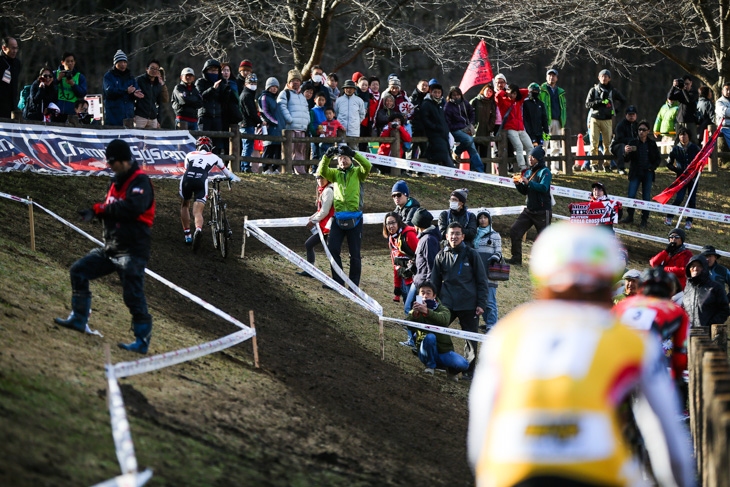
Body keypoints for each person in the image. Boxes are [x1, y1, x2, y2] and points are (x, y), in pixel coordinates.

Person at [468, 223, 695, 487]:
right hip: (596, 468)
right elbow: (666, 436)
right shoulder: (628, 338)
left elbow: (481, 428)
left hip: (511, 469)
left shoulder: (509, 331)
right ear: (608, 278)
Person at [55, 140, 156, 354]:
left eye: (112, 162)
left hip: (133, 250)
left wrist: (100, 209)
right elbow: (112, 208)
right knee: (79, 270)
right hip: (111, 248)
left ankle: (141, 341)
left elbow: (132, 208)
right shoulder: (115, 181)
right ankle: (79, 319)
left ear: (123, 161)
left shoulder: (141, 181)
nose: (110, 166)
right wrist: (96, 213)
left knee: (133, 295)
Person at [431, 222, 489, 380]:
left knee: (471, 339)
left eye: (457, 233)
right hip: (447, 303)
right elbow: (434, 282)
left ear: (463, 236)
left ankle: (469, 372)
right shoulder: (441, 255)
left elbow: (482, 281)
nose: (454, 236)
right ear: (446, 236)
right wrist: (431, 301)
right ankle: (442, 364)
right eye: (451, 233)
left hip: (469, 304)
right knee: (436, 331)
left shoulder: (472, 254)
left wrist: (481, 304)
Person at [614, 267, 690, 382]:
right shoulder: (677, 311)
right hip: (652, 365)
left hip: (619, 360)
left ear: (641, 286)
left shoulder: (622, 304)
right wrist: (676, 378)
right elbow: (680, 356)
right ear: (670, 290)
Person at [317, 145, 372, 287]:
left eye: (346, 158)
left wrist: (354, 154)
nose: (343, 161)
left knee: (355, 254)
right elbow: (322, 171)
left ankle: (354, 284)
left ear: (351, 160)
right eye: (340, 159)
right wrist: (327, 156)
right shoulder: (335, 174)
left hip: (356, 217)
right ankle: (338, 280)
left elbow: (367, 165)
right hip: (338, 217)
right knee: (332, 249)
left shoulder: (358, 173)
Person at [179, 136, 240, 251]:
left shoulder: (190, 154)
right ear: (210, 148)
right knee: (197, 211)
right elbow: (228, 174)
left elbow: (186, 169)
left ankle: (187, 236)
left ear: (197, 147)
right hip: (201, 180)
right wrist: (233, 179)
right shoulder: (214, 157)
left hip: (187, 179)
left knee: (185, 205)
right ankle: (198, 229)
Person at [407, 282, 469, 381]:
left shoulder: (443, 309)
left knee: (464, 364)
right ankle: (430, 366)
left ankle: (451, 371)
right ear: (418, 295)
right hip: (425, 351)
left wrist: (427, 312)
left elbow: (444, 320)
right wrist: (415, 314)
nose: (425, 296)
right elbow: (409, 326)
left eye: (428, 293)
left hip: (443, 351)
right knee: (430, 337)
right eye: (422, 293)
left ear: (434, 296)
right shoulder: (416, 310)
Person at [507, 147, 552, 266]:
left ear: (539, 158)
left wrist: (529, 182)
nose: (530, 159)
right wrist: (518, 185)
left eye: (533, 157)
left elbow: (544, 188)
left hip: (542, 211)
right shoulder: (527, 172)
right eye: (529, 157)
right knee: (515, 231)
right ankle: (516, 258)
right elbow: (525, 191)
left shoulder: (545, 172)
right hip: (529, 210)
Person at [619, 119, 660, 228]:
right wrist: (626, 152)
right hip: (635, 173)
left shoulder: (652, 144)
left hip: (648, 173)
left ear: (648, 131)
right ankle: (630, 216)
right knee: (631, 195)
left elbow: (658, 159)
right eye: (639, 129)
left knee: (646, 198)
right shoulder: (633, 142)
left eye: (643, 130)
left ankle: (644, 219)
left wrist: (652, 168)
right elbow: (627, 160)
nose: (641, 132)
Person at [585, 69, 627, 170]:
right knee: (594, 143)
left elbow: (623, 100)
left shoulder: (613, 91)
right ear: (599, 78)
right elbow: (587, 104)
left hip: (607, 120)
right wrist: (599, 102)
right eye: (602, 76)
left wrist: (615, 111)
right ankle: (594, 165)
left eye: (606, 76)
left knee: (607, 144)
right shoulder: (593, 90)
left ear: (609, 78)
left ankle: (607, 165)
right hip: (595, 118)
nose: (604, 78)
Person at [296, 174, 334, 277]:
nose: (320, 180)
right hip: (326, 225)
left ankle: (337, 279)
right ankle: (310, 270)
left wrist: (313, 221)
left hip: (329, 226)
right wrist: (313, 217)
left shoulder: (328, 191)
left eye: (322, 177)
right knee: (309, 244)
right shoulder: (323, 190)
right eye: (318, 178)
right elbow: (321, 210)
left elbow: (325, 211)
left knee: (332, 252)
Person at [663, 127, 701, 229]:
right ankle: (669, 217)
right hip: (681, 179)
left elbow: (701, 159)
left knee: (692, 200)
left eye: (684, 135)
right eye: (680, 135)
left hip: (693, 178)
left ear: (688, 136)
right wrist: (677, 170)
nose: (683, 137)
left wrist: (697, 169)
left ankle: (689, 221)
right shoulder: (675, 149)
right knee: (679, 198)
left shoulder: (695, 148)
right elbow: (669, 163)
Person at [444, 86, 485, 172]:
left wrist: (470, 123)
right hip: (455, 130)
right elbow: (448, 123)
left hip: (466, 128)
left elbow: (472, 112)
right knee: (469, 140)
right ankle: (456, 152)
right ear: (450, 96)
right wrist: (460, 128)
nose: (456, 97)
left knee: (472, 149)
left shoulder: (465, 103)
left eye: (458, 95)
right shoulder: (448, 106)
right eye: (454, 95)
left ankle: (478, 169)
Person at [474, 210, 502, 332]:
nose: (483, 220)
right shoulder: (474, 234)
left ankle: (492, 325)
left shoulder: (495, 235)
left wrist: (495, 258)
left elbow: (499, 252)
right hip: (476, 272)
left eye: (486, 217)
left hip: (490, 272)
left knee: (490, 301)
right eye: (481, 217)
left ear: (489, 220)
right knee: (479, 299)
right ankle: (486, 322)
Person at [684, 254, 730, 329]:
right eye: (692, 266)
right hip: (688, 334)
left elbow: (724, 310)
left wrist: (710, 326)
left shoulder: (715, 287)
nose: (695, 268)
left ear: (705, 268)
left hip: (706, 336)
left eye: (699, 266)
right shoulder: (687, 288)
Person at [383, 212, 418, 309]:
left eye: (393, 223)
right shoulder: (391, 239)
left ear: (398, 222)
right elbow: (396, 264)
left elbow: (422, 255)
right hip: (405, 278)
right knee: (408, 308)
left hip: (417, 279)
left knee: (411, 308)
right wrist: (397, 286)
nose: (391, 226)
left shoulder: (409, 235)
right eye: (388, 224)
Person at [278, 69, 310, 173]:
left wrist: (307, 121)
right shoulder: (284, 93)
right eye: (293, 80)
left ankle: (300, 171)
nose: (295, 82)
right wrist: (289, 119)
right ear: (288, 82)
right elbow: (281, 106)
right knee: (288, 150)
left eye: (297, 80)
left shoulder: (302, 96)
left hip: (301, 128)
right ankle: (286, 170)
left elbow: (306, 109)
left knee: (300, 150)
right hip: (290, 128)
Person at [495, 83, 532, 171]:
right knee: (519, 147)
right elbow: (497, 95)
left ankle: (531, 166)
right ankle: (523, 167)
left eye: (515, 94)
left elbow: (526, 91)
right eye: (512, 93)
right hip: (510, 128)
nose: (513, 95)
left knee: (530, 147)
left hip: (521, 128)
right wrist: (505, 91)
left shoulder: (518, 101)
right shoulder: (503, 101)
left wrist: (515, 90)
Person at [195, 59, 230, 151]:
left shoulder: (221, 83)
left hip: (217, 117)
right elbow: (201, 96)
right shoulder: (200, 82)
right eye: (211, 70)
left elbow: (224, 101)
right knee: (203, 143)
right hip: (205, 116)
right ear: (205, 71)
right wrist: (213, 89)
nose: (213, 72)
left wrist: (226, 90)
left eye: (215, 70)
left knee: (216, 145)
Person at [103, 50, 141, 126]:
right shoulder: (108, 76)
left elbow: (136, 88)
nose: (123, 64)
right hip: (113, 115)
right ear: (115, 63)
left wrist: (135, 93)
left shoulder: (130, 77)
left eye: (125, 62)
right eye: (120, 62)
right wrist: (125, 91)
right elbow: (109, 91)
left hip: (128, 115)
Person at [539, 69, 567, 173]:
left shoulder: (560, 92)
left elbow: (563, 107)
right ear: (546, 77)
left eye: (553, 75)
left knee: (556, 144)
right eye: (549, 75)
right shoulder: (541, 90)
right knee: (544, 144)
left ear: (557, 78)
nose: (551, 77)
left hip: (557, 121)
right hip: (545, 121)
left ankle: (555, 168)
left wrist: (563, 119)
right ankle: (543, 167)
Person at [420, 83, 453, 167]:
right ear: (431, 92)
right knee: (443, 153)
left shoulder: (441, 103)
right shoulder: (426, 103)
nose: (437, 94)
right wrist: (435, 127)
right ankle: (453, 172)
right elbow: (425, 119)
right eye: (435, 92)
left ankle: (448, 172)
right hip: (434, 133)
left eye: (439, 92)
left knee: (447, 152)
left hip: (443, 133)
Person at [258, 77, 284, 174]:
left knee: (277, 148)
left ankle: (275, 168)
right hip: (270, 127)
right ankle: (265, 168)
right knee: (269, 147)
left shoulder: (274, 99)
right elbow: (265, 112)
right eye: (272, 86)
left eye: (276, 87)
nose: (274, 89)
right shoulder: (264, 97)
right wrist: (275, 121)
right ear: (268, 87)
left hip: (278, 128)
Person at [54, 52, 87, 122]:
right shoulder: (55, 74)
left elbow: (82, 93)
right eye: (67, 61)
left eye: (72, 61)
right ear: (62, 63)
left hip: (72, 112)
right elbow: (49, 89)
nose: (70, 63)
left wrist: (73, 84)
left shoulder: (79, 77)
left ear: (74, 62)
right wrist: (58, 79)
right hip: (56, 110)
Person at [240, 73, 262, 173]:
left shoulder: (248, 94)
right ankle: (245, 166)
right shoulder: (247, 95)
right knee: (248, 145)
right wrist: (259, 121)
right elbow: (251, 112)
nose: (253, 84)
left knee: (247, 145)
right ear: (246, 84)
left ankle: (245, 165)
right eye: (251, 83)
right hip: (247, 124)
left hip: (246, 124)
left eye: (254, 83)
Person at [134, 60, 166, 129]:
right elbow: (131, 98)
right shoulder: (139, 80)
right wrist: (132, 115)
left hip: (153, 119)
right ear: (146, 69)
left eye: (156, 69)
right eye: (152, 68)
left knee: (153, 139)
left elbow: (160, 103)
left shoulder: (158, 84)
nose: (154, 70)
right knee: (137, 138)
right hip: (140, 116)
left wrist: (159, 120)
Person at [668, 75, 699, 144]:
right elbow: (670, 97)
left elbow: (689, 100)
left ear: (691, 83)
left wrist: (683, 89)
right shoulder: (680, 92)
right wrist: (673, 86)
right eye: (684, 84)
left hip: (690, 121)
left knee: (693, 140)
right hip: (680, 121)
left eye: (687, 84)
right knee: (678, 141)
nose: (686, 86)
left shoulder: (694, 92)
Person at [609, 106, 638, 175]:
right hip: (617, 146)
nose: (631, 116)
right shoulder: (621, 125)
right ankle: (620, 168)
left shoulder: (637, 125)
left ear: (636, 115)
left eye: (633, 115)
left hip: (632, 145)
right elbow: (619, 139)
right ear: (626, 115)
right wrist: (627, 145)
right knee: (621, 146)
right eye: (629, 115)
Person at [470, 83, 497, 160]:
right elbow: (469, 115)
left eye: (491, 92)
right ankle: (473, 171)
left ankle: (483, 171)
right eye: (488, 90)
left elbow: (493, 116)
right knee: (474, 154)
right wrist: (473, 126)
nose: (489, 93)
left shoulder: (492, 103)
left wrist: (490, 127)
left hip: (486, 132)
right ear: (483, 90)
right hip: (475, 132)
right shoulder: (475, 101)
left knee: (484, 155)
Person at [522, 82, 549, 148]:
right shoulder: (525, 103)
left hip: (539, 132)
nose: (535, 92)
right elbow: (524, 118)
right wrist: (528, 131)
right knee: (532, 149)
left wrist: (546, 130)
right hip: (530, 132)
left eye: (536, 91)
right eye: (533, 91)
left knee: (540, 149)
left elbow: (544, 117)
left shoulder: (540, 103)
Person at [0, 37, 21, 119]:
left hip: (12, 105)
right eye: (12, 48)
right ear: (4, 48)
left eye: (16, 48)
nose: (15, 51)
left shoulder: (17, 63)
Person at [715, 82, 730, 146]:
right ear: (722, 91)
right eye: (727, 89)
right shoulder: (719, 101)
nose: (729, 91)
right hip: (725, 127)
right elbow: (724, 112)